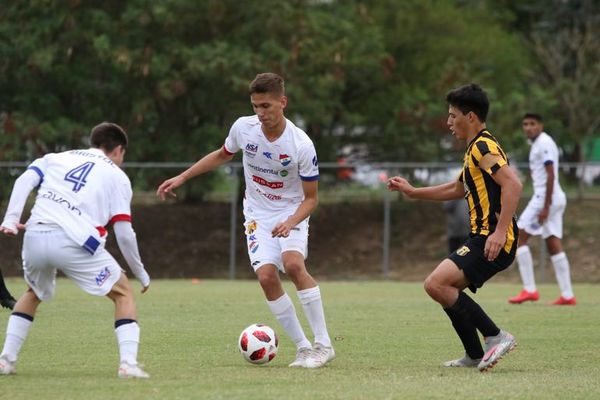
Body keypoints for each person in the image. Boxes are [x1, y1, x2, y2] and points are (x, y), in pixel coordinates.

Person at [157, 73, 334, 368]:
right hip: (257, 214)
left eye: (266, 106)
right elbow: (221, 154)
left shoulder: (301, 145)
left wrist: (291, 222)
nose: (261, 113)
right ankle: (303, 348)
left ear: (283, 102)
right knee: (266, 276)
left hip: (292, 211)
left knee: (292, 264)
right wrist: (183, 177)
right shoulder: (244, 128)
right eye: (255, 106)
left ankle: (323, 344)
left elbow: (311, 199)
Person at [388, 84, 522, 372]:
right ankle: (474, 354)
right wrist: (413, 192)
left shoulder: (483, 147)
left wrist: (499, 232)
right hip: (482, 236)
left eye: (452, 116)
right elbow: (456, 187)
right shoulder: (475, 149)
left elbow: (513, 184)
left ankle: (496, 336)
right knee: (441, 287)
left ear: (470, 116)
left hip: (493, 238)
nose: (448, 122)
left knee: (435, 283)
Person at [0, 122, 151, 378]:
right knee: (123, 292)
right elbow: (124, 233)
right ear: (118, 150)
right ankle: (128, 365)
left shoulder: (54, 158)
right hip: (76, 242)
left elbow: (24, 180)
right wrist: (141, 271)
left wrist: (11, 218)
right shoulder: (117, 175)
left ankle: (5, 361)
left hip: (35, 234)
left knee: (33, 292)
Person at [508, 113, 576, 305]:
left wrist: (545, 206)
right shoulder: (537, 144)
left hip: (547, 198)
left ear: (541, 125)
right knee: (553, 242)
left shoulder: (544, 143)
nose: (528, 127)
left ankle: (529, 290)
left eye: (532, 124)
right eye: (525, 124)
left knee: (519, 237)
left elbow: (550, 174)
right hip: (554, 197)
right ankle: (568, 295)